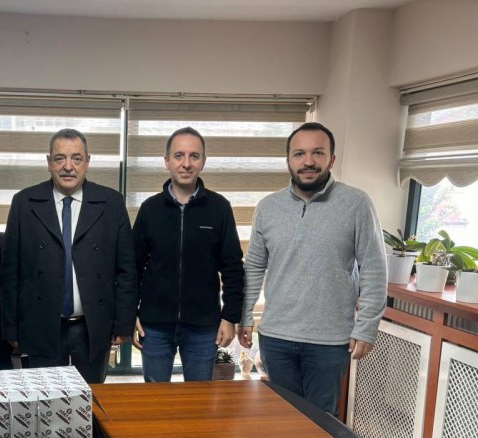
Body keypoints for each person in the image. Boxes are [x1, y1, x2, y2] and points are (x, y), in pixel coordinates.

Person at [237, 122, 387, 417]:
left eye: (318, 153)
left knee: (322, 422)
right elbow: (254, 266)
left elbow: (373, 268)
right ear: (288, 160)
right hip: (276, 336)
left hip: (329, 341)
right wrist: (244, 315)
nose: (308, 161)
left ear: (332, 159)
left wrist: (367, 327)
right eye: (299, 154)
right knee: (282, 417)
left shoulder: (357, 203)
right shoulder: (268, 207)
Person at [1, 128, 137, 383]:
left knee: (90, 396)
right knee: (45, 398)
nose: (68, 167)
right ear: (49, 162)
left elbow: (126, 270)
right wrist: (10, 327)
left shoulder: (111, 202)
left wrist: (123, 323)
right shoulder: (24, 202)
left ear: (87, 162)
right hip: (40, 324)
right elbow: (10, 271)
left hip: (93, 326)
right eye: (59, 158)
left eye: (76, 158)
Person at [133, 127, 244, 382]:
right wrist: (131, 313)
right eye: (179, 155)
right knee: (155, 399)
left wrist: (230, 316)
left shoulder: (219, 208)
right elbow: (133, 267)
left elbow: (232, 267)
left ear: (203, 162)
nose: (186, 163)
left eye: (194, 156)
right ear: (167, 161)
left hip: (203, 328)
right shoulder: (150, 209)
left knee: (199, 400)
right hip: (155, 326)